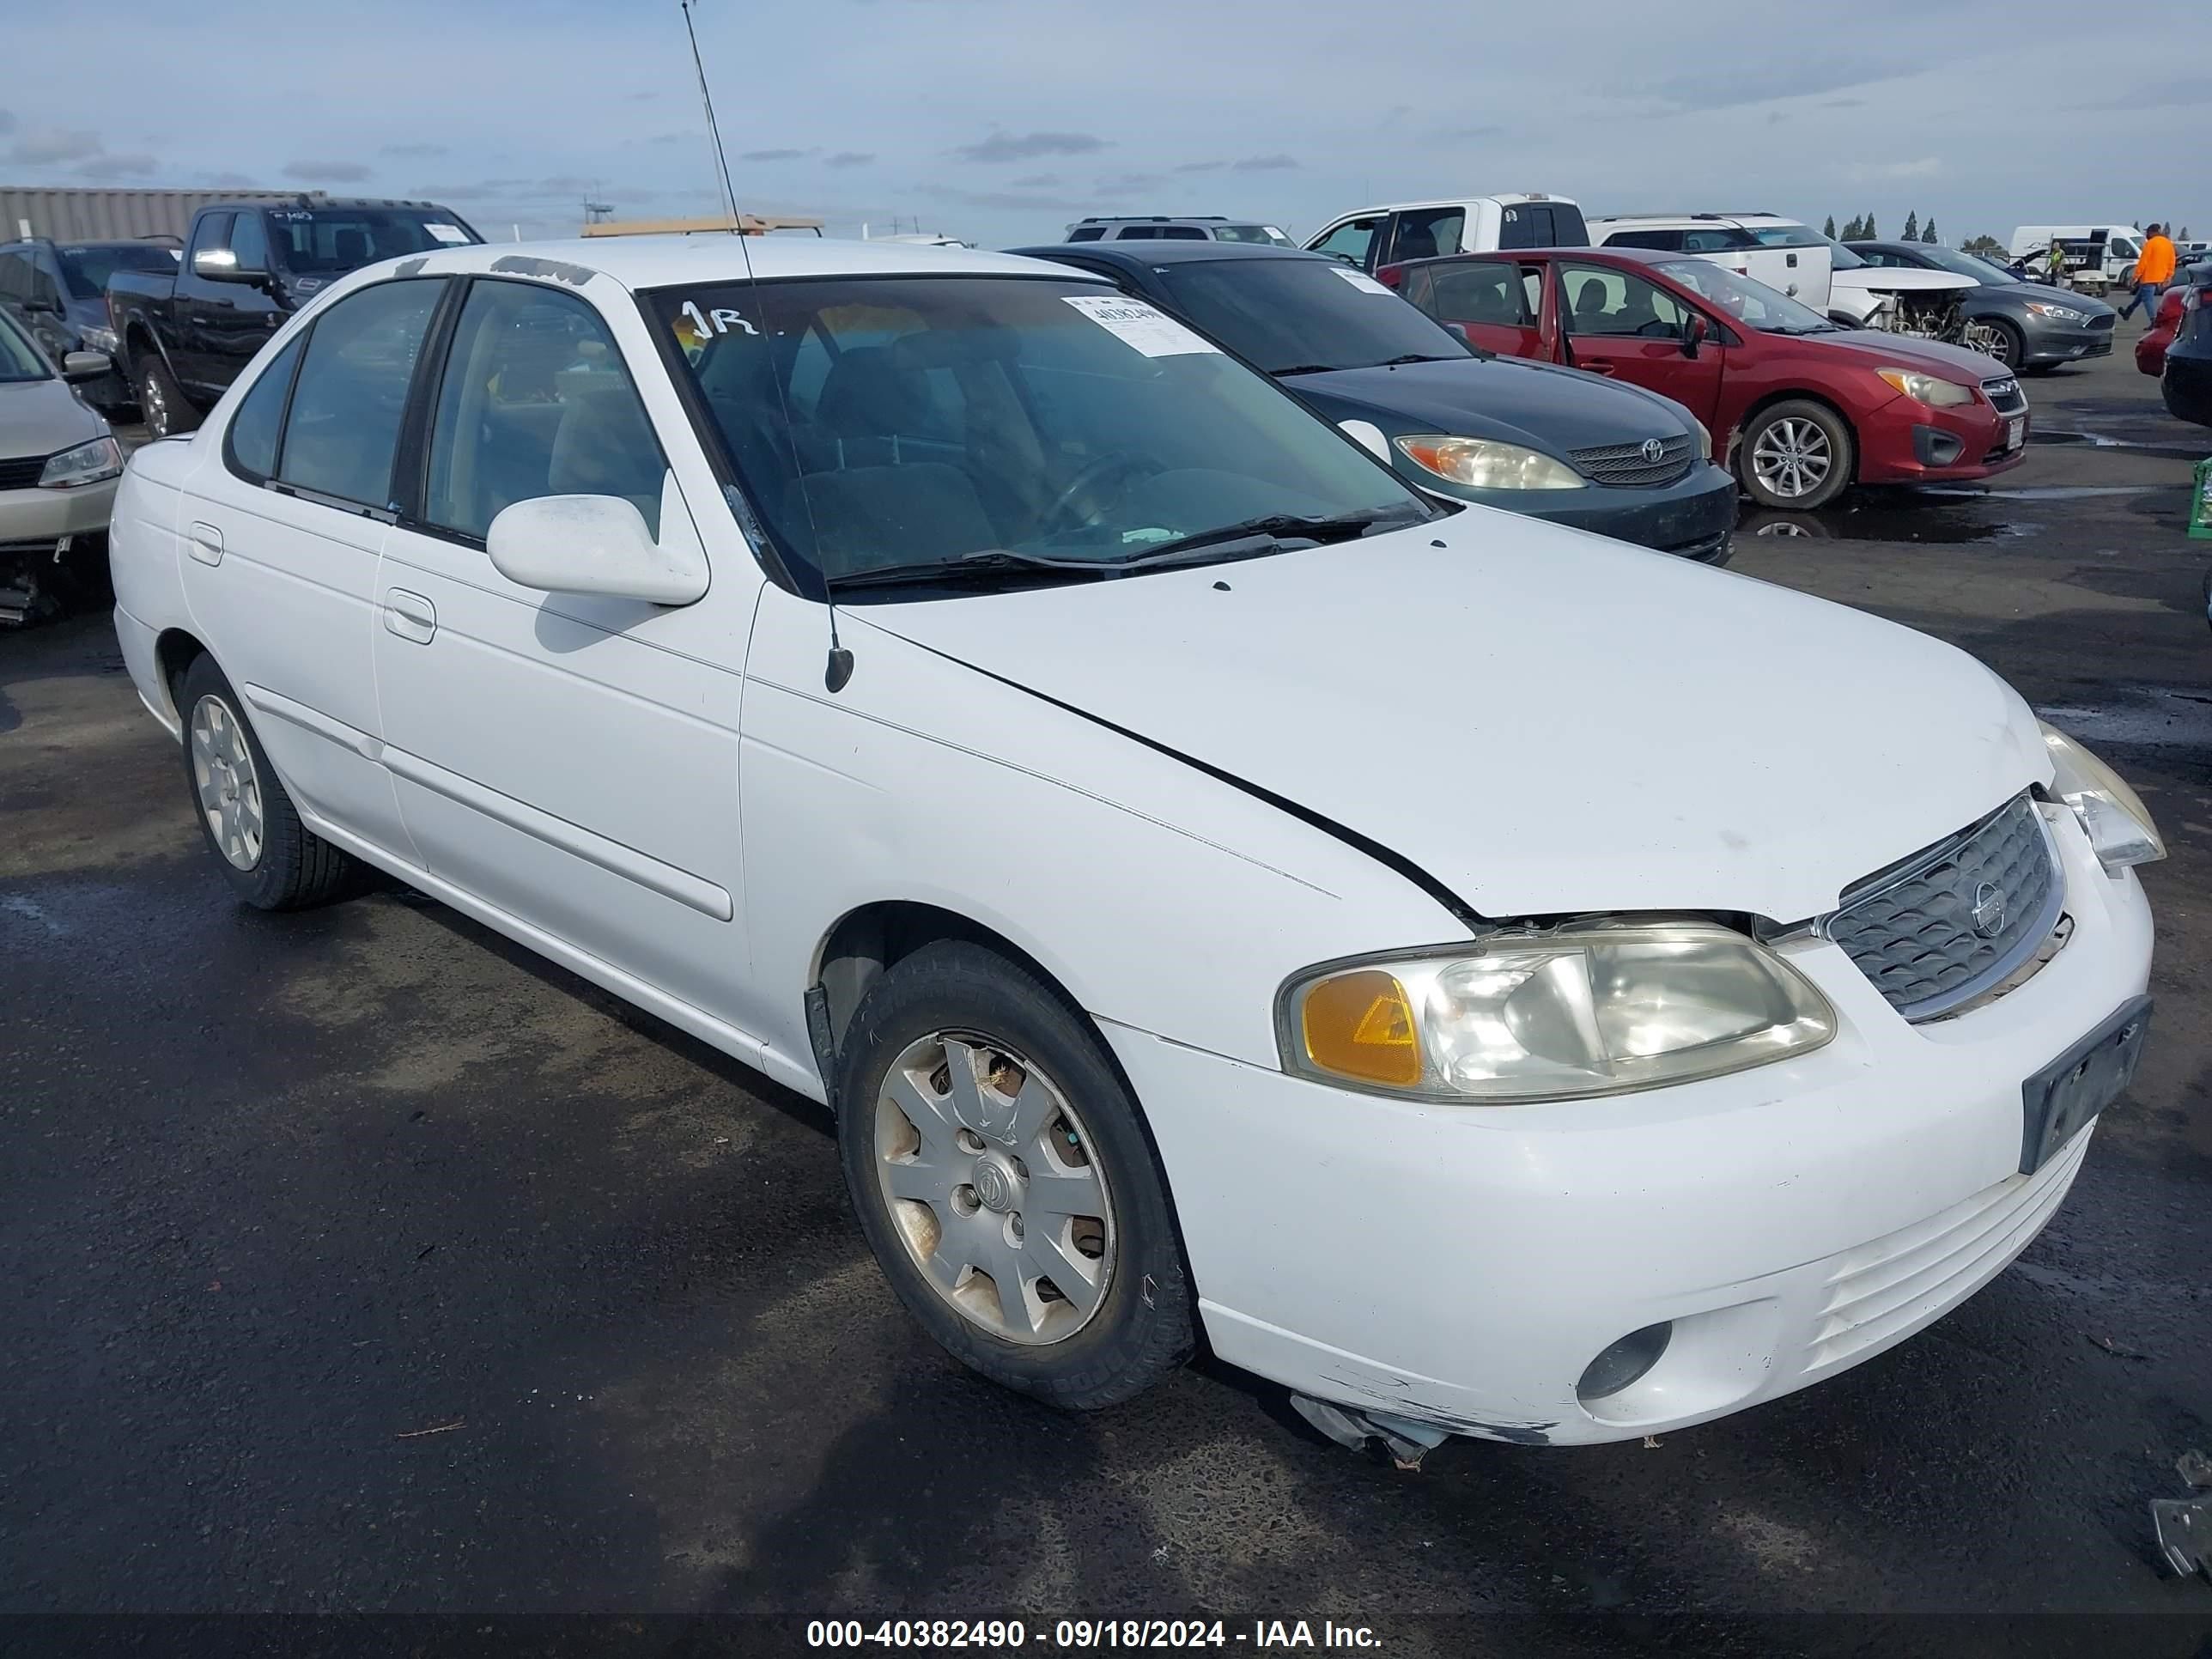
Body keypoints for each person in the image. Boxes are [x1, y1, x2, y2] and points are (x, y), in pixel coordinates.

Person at [2120, 224, 2178, 322]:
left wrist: (2135, 277)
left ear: (2152, 232)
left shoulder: (2150, 243)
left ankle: (2153, 320)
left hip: (2149, 277)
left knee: (2148, 300)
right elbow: (2172, 261)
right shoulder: (2168, 243)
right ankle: (2127, 312)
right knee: (2139, 297)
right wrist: (2169, 276)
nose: (2146, 234)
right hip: (2161, 277)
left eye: (2147, 232)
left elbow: (2143, 261)